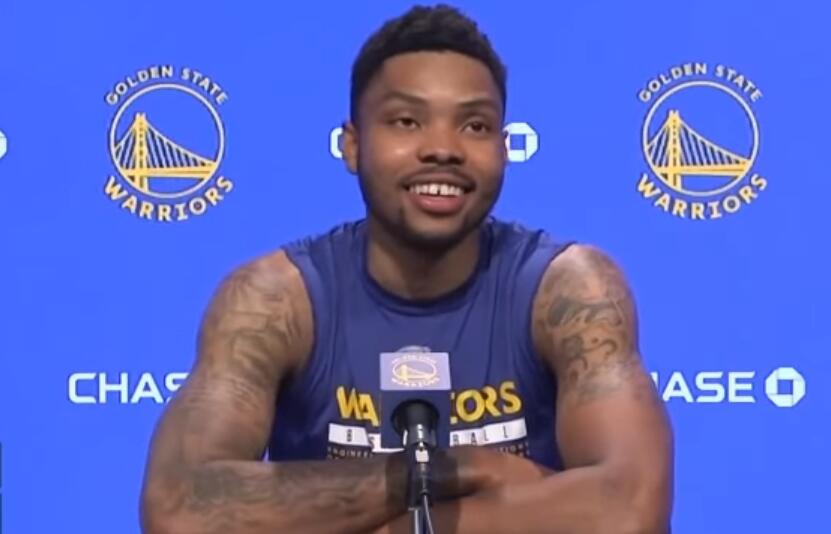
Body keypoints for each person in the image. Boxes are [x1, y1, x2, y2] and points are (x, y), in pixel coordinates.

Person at [139, 4, 674, 533]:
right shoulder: (274, 300)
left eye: (475, 125)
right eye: (406, 121)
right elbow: (178, 509)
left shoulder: (570, 290)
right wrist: (454, 472)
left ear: (504, 148)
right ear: (353, 146)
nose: (442, 149)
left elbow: (631, 511)